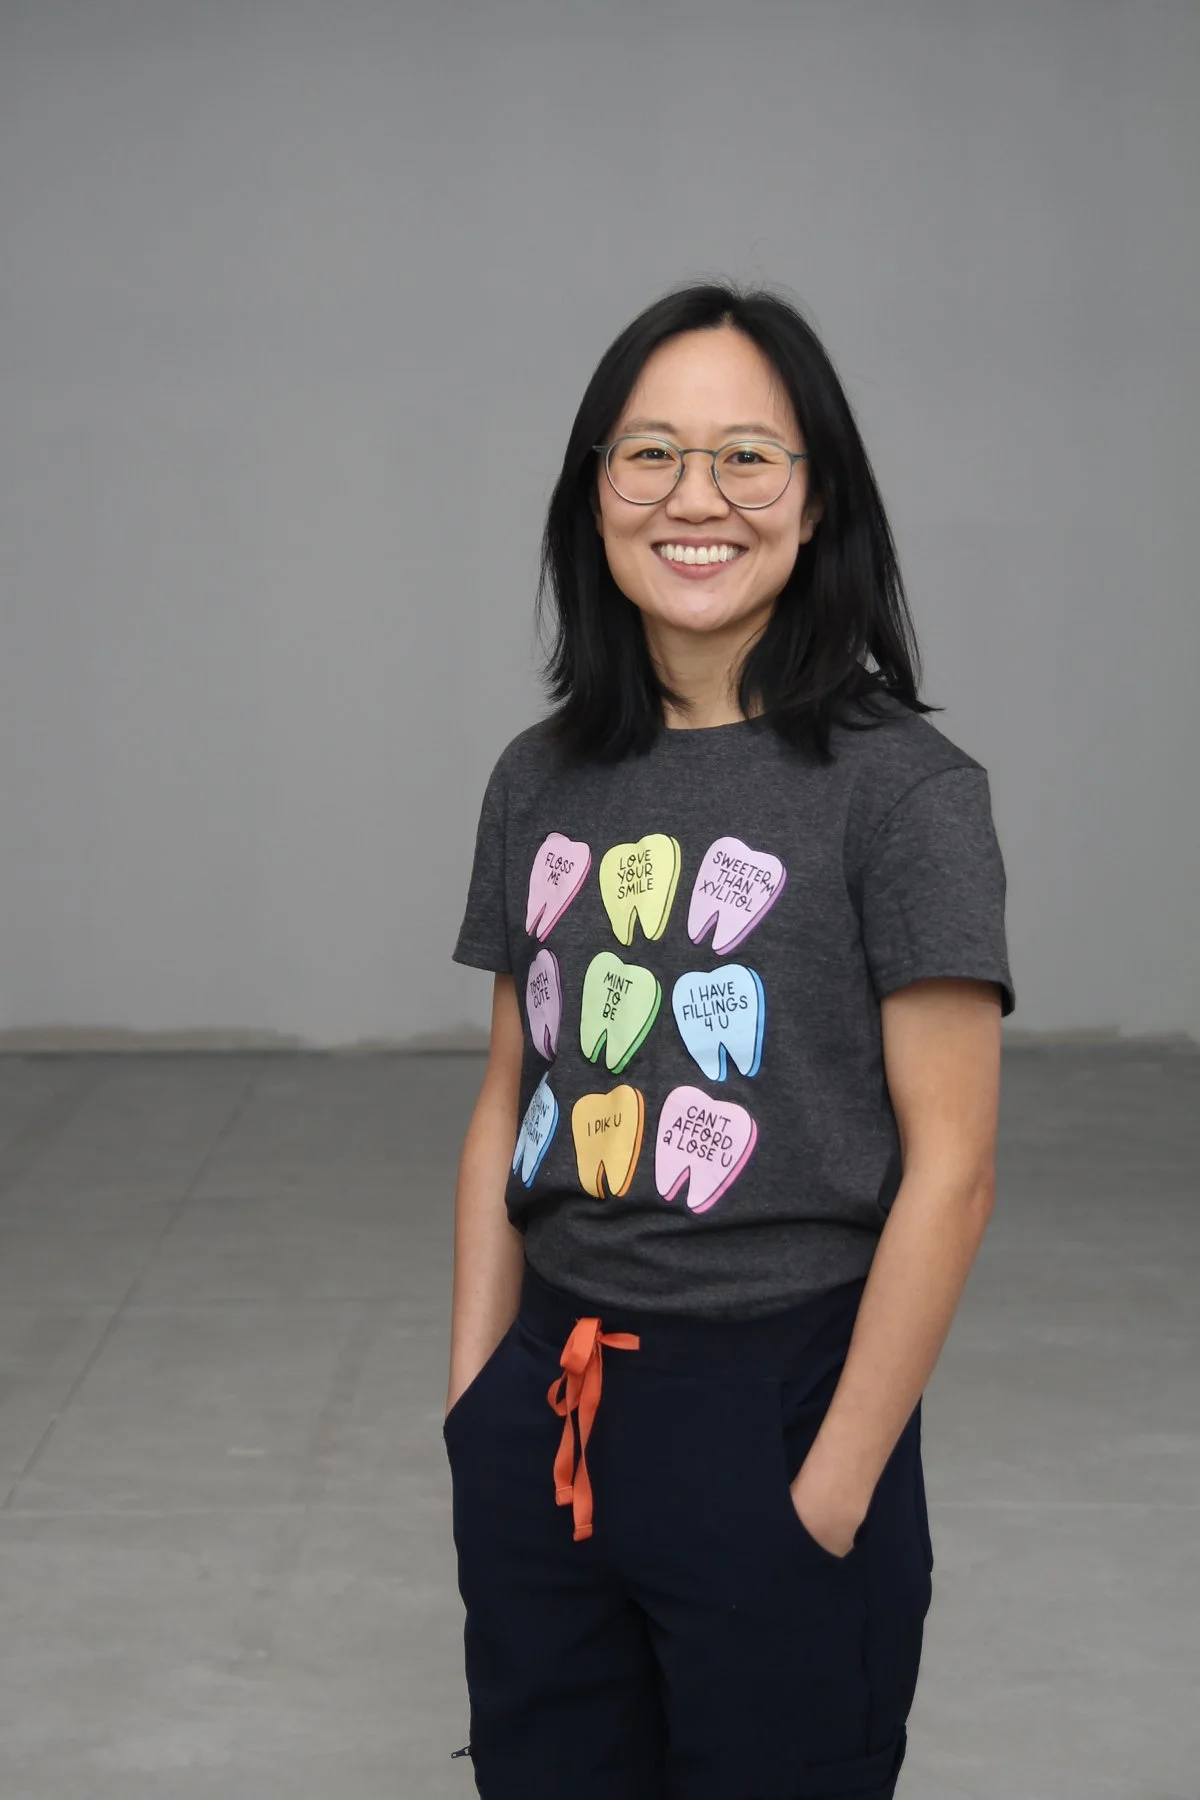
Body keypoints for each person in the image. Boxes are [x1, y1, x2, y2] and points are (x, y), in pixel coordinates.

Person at [442, 279, 1015, 1800]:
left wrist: (828, 1490)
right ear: (595, 495)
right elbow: (509, 1096)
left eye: (749, 457)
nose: (695, 498)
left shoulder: (905, 793)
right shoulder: (539, 779)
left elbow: (953, 1170)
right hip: (552, 1405)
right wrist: (476, 1404)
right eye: (650, 455)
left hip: (779, 1409)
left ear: (818, 502)